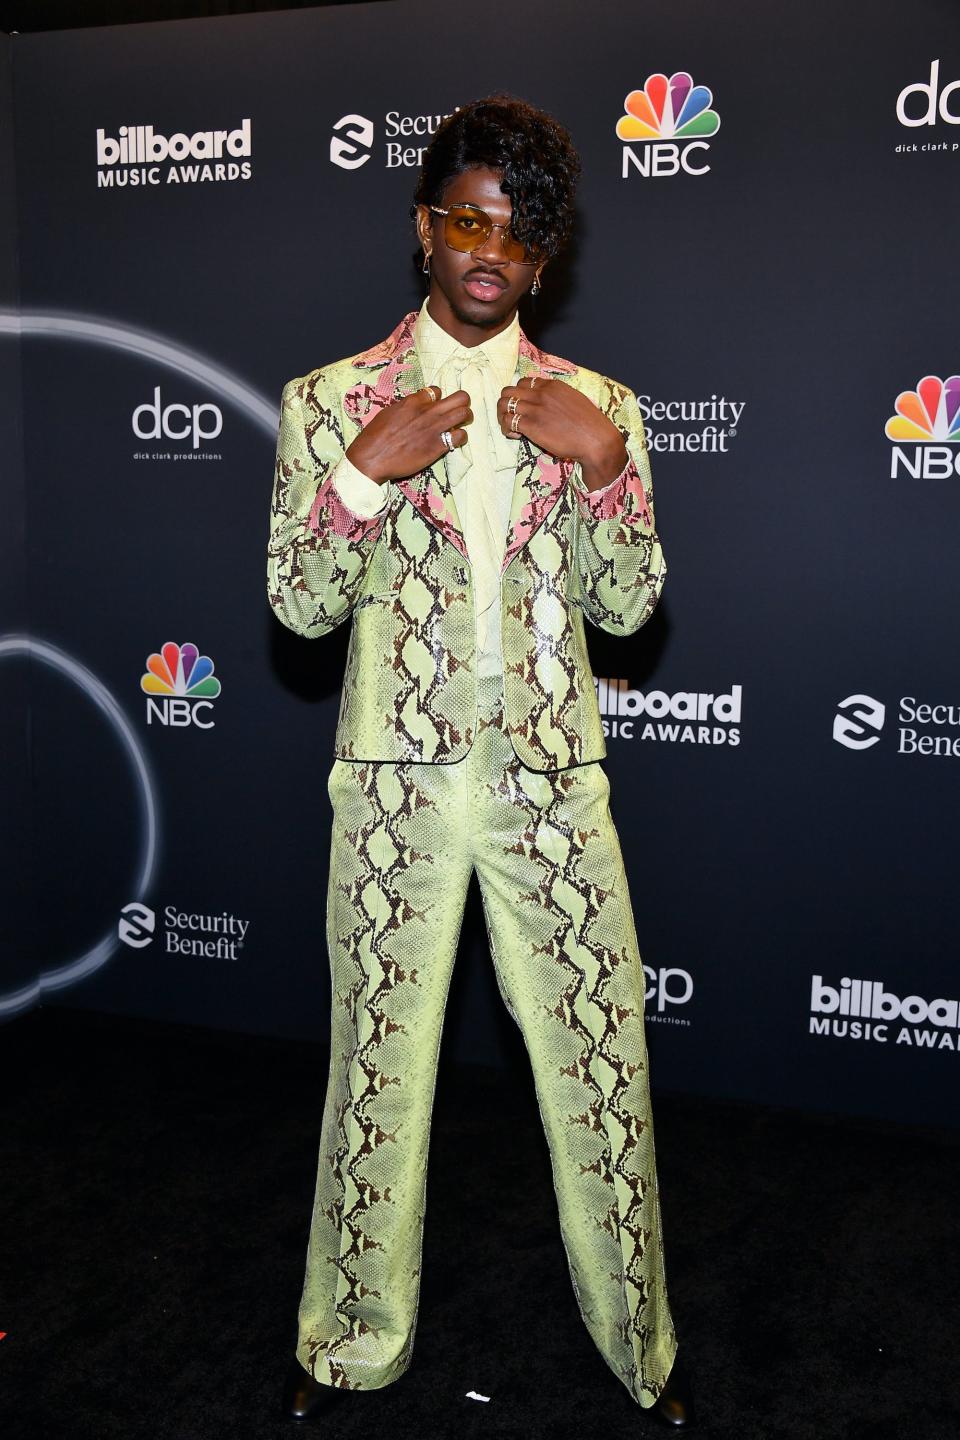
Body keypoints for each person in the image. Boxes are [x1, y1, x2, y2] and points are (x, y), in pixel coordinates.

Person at [268, 95, 694, 1429]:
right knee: (376, 1074)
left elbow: (631, 607)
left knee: (605, 1066)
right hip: (394, 793)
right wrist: (357, 476)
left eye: (517, 230)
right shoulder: (332, 400)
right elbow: (297, 602)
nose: (487, 250)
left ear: (546, 253)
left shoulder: (600, 407)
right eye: (464, 219)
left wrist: (611, 467)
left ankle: (643, 1355)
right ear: (423, 228)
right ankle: (347, 1346)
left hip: (552, 792)